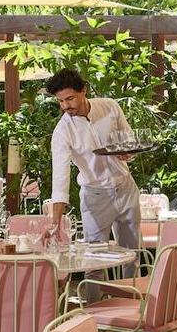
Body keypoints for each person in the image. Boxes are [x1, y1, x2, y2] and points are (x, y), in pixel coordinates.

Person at [46, 68, 141, 257]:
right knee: (94, 259)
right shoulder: (62, 132)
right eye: (61, 101)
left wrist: (129, 154)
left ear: (83, 90)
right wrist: (55, 224)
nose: (66, 106)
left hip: (126, 188)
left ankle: (131, 278)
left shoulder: (110, 107)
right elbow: (60, 180)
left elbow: (129, 140)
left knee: (133, 255)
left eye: (70, 98)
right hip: (95, 196)